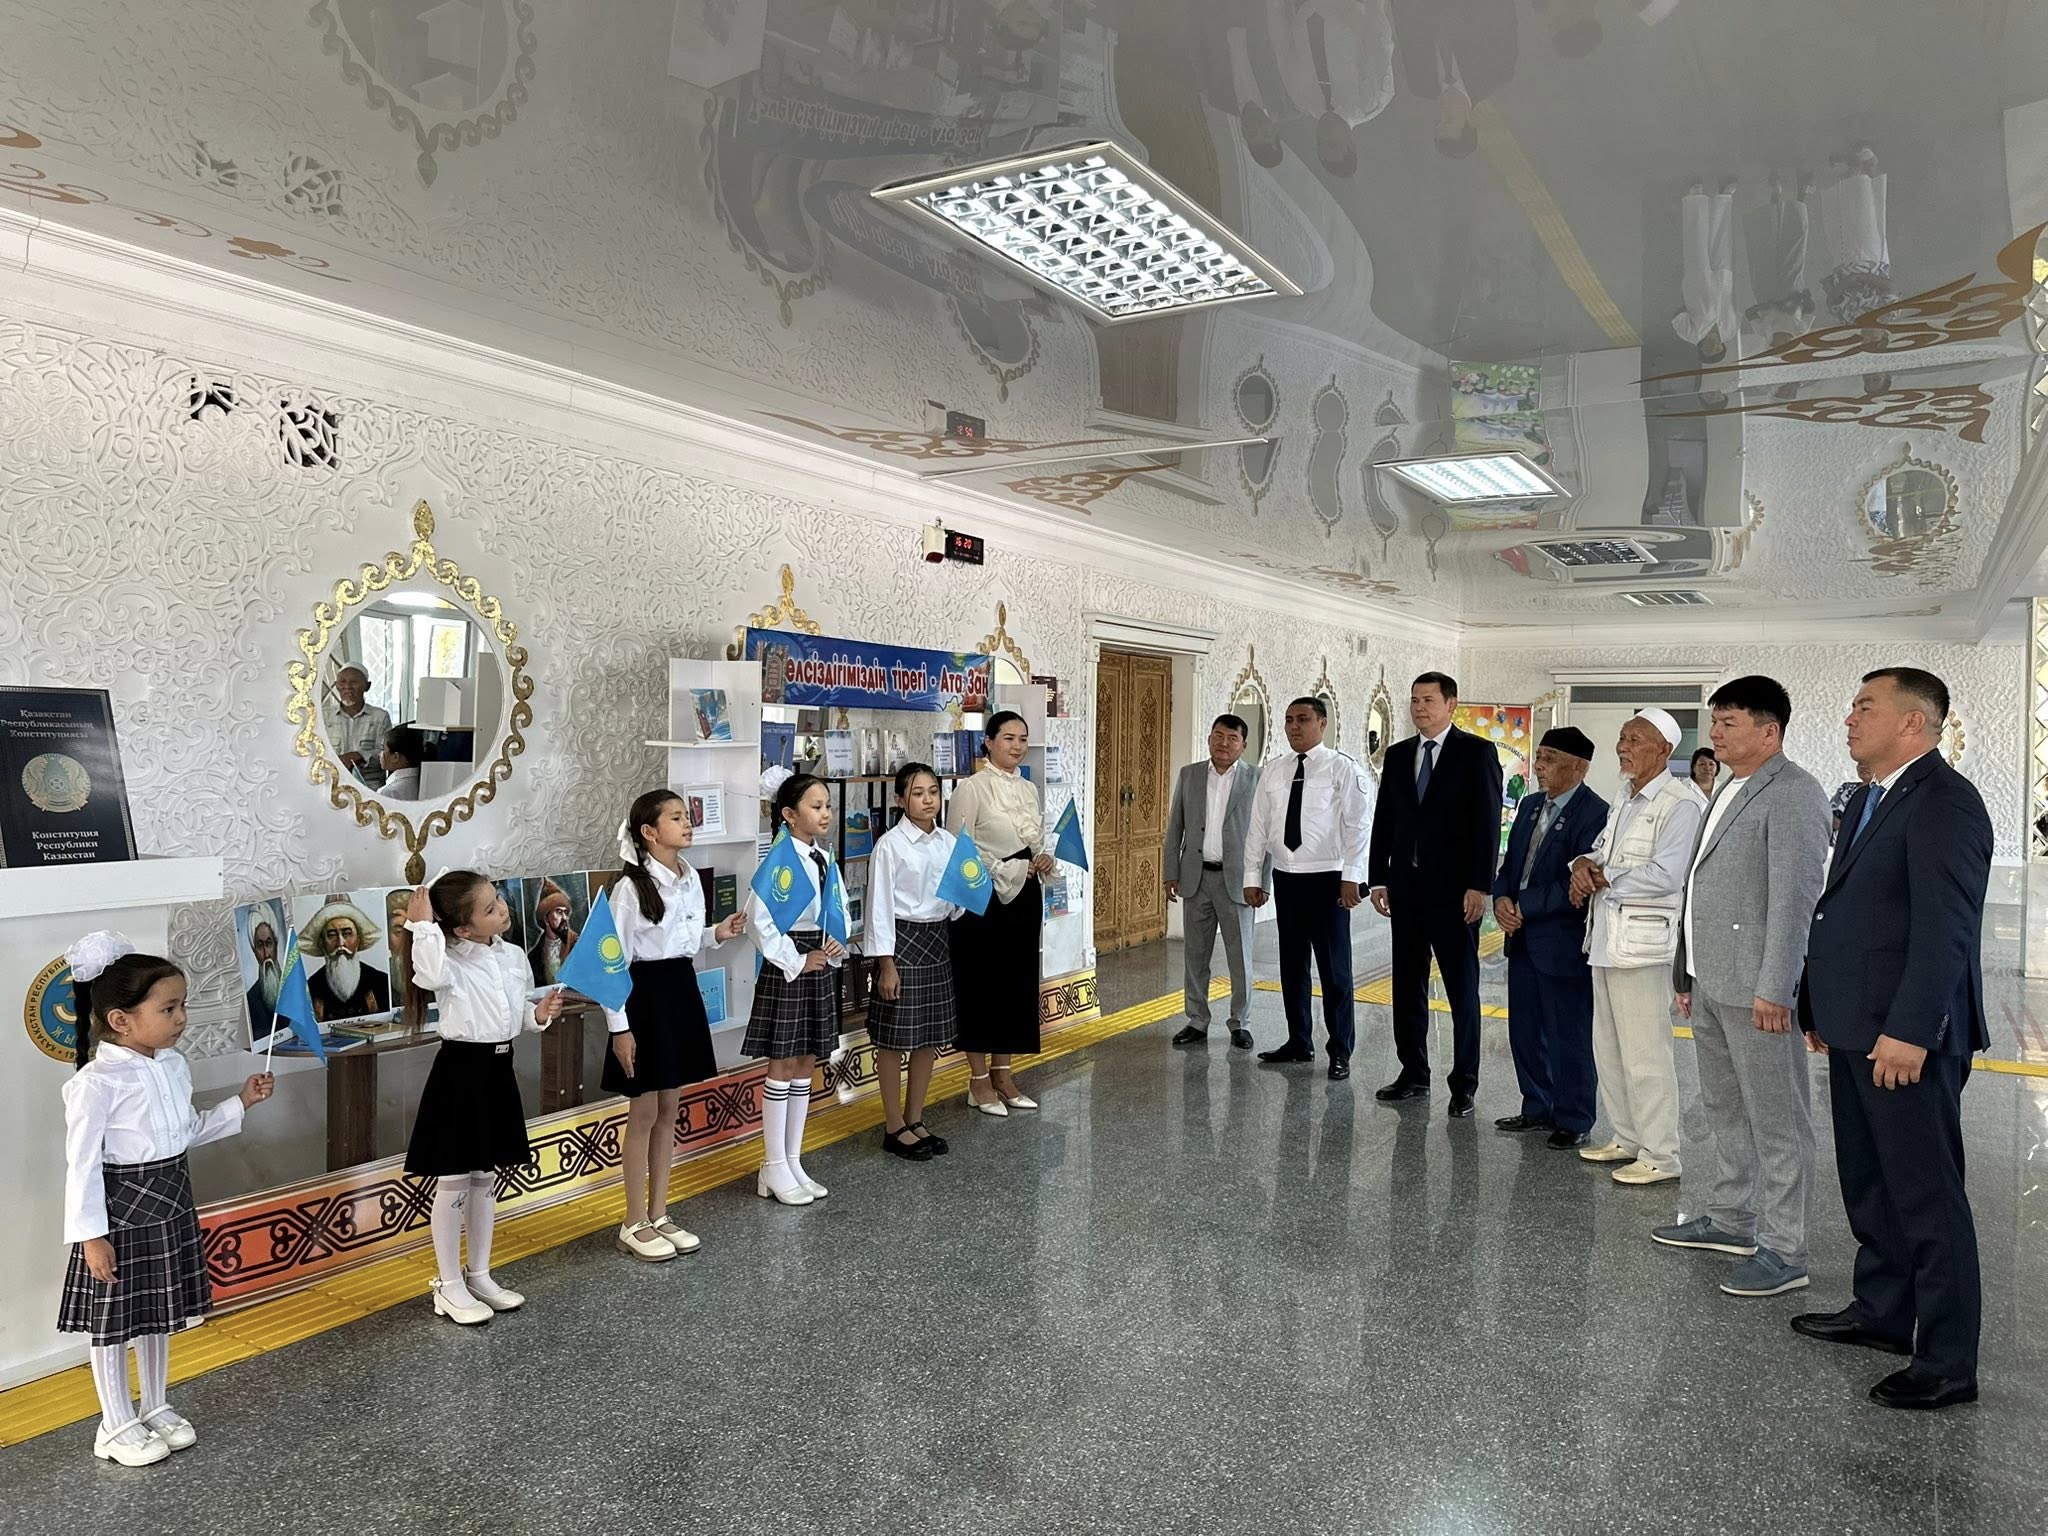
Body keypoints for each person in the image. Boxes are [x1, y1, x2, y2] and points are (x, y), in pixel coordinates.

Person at [1792, 668, 1990, 1411]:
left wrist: (1911, 1031)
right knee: (1871, 1183)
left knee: (1926, 1196)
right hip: (1856, 1026)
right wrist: (1820, 1006)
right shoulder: (1873, 797)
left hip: (1905, 1037)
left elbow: (1946, 929)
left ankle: (1946, 1360)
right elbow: (1843, 911)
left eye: (1864, 706)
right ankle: (1882, 1312)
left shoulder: (1944, 801)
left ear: (1913, 722)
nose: (1849, 718)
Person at [57, 932, 273, 1467]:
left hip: (171, 1204)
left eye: (183, 1006)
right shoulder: (95, 1083)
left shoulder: (172, 1066)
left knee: (157, 1312)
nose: (181, 1018)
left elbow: (186, 1132)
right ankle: (114, 1423)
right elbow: (81, 1166)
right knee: (113, 1322)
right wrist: (91, 1237)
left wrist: (241, 1102)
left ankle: (153, 1405)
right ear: (120, 1020)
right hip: (122, 1215)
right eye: (169, 1008)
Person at [1658, 677, 1832, 1297]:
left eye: (1729, 722)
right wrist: (1685, 972)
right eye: (1715, 722)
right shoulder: (1728, 787)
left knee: (1778, 1120)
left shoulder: (1795, 793)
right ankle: (1732, 1219)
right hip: (1712, 980)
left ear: (1769, 730)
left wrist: (1777, 988)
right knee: (1725, 1108)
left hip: (1758, 988)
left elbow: (1794, 900)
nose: (1715, 734)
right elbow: (1699, 889)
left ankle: (1785, 1249)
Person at [402, 871, 564, 1325]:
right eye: (490, 909)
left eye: (499, 900)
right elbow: (428, 973)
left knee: (484, 1177)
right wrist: (421, 925)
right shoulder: (447, 959)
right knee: (453, 1180)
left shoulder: (512, 955)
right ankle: (448, 1284)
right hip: (460, 1073)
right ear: (462, 928)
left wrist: (538, 1015)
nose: (503, 910)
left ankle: (479, 1274)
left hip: (498, 1070)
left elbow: (516, 1013)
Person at [604, 791, 747, 1261]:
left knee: (670, 1108)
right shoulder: (630, 889)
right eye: (676, 818)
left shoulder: (689, 878)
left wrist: (716, 934)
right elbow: (613, 962)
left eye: (688, 816)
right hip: (643, 998)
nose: (688, 824)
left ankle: (659, 1212)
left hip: (679, 990)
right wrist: (620, 1029)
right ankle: (632, 1221)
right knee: (643, 1112)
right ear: (649, 832)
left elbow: (680, 941)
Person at [1568, 709, 1706, 1185]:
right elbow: (1603, 852)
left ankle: (1661, 1155)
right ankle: (1627, 1138)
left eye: (1634, 739)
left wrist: (1603, 876)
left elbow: (1668, 874)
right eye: (1622, 737)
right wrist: (1582, 863)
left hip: (1645, 946)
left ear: (1664, 750)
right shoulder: (1624, 796)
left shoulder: (1680, 803)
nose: (1622, 747)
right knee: (1609, 1048)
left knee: (1647, 1053)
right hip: (1607, 938)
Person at [1367, 672, 1503, 1115]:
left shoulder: (1476, 753)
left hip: (1455, 894)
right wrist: (1378, 877)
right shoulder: (1398, 754)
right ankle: (1413, 1072)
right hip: (1406, 891)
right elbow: (1384, 819)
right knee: (1407, 985)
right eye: (1414, 700)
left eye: (1428, 699)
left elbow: (1487, 823)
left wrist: (1480, 885)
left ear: (1451, 704)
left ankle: (1464, 1083)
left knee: (1462, 990)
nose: (1420, 707)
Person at [1242, 696, 1369, 1080]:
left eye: (1302, 719)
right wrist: (1253, 877)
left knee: (1334, 969)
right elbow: (1258, 827)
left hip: (1329, 879)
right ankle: (1299, 1041)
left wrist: (1352, 876)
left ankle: (1340, 1050)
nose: (1294, 726)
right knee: (1292, 964)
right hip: (1287, 876)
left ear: (1322, 723)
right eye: (1288, 720)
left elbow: (1359, 825)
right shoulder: (1274, 770)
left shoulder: (1342, 768)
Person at [1491, 727, 1608, 1147]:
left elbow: (1579, 883)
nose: (1539, 765)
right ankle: (1537, 1106)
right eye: (1539, 756)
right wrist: (1501, 899)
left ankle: (1574, 1117)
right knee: (1525, 1029)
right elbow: (1511, 864)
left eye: (1550, 758)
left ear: (1579, 767)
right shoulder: (1530, 805)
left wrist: (1524, 906)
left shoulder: (1596, 813)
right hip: (1521, 938)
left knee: (1567, 1033)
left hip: (1561, 940)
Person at [744, 774, 850, 1206]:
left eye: (828, 806)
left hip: (819, 959)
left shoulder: (825, 858)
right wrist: (796, 959)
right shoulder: (780, 860)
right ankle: (772, 1163)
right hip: (791, 965)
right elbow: (758, 920)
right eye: (815, 806)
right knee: (783, 1063)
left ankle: (792, 1160)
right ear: (789, 814)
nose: (825, 814)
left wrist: (838, 940)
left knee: (806, 1061)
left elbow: (838, 908)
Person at [947, 711, 1054, 1115]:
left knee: (1015, 982)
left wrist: (1043, 857)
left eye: (1022, 739)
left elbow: (1035, 837)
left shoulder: (1028, 788)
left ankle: (1003, 1074)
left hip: (1024, 894)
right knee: (980, 984)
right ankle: (978, 1080)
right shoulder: (971, 788)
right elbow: (960, 848)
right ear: (988, 742)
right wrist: (1008, 869)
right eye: (1008, 738)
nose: (1017, 746)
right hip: (982, 899)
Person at [867, 764, 961, 1163]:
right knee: (893, 1038)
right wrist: (886, 965)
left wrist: (967, 896)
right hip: (901, 942)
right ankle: (893, 1127)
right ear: (900, 800)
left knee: (928, 1036)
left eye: (933, 792)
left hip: (937, 939)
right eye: (918, 793)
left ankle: (915, 1118)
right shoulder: (889, 846)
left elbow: (955, 899)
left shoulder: (948, 841)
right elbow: (879, 908)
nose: (928, 800)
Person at [1164, 713, 1264, 1050]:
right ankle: (1197, 1020)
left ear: (1243, 745)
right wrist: (1171, 873)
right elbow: (1175, 826)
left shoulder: (1257, 779)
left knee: (1240, 957)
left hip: (1238, 882)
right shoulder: (1190, 775)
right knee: (1195, 956)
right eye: (1218, 736)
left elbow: (1266, 834)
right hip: (1196, 877)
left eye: (1232, 738)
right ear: (1209, 739)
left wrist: (1262, 881)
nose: (1224, 743)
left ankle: (1241, 1023)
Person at [1390, 0, 1518, 158]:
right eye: (1449, 119)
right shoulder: (1496, 73)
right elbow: (1503, 11)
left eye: (1439, 122)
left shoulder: (1420, 83)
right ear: (1470, 120)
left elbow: (1405, 30)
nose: (1442, 113)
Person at [302, 898, 391, 1023]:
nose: (340, 943)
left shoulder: (380, 982)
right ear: (322, 944)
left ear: (358, 940)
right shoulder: (310, 989)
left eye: (347, 933)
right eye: (332, 935)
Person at [323, 664, 393, 789]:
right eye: (342, 682)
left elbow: (389, 756)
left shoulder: (380, 717)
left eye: (353, 682)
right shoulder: (324, 716)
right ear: (336, 685)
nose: (347, 686)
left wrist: (360, 755)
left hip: (370, 788)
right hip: (332, 785)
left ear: (367, 686)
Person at [526, 877, 581, 986]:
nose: (564, 918)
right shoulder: (534, 956)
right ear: (546, 919)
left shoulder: (577, 945)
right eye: (559, 912)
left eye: (566, 912)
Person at [243, 914, 281, 1039]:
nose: (266, 954)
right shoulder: (251, 999)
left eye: (269, 944)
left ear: (276, 945)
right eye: (260, 946)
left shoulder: (294, 987)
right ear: (254, 952)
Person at [380, 725, 425, 801]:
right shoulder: (423, 782)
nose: (380, 754)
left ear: (395, 757)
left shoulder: (388, 792)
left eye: (383, 749)